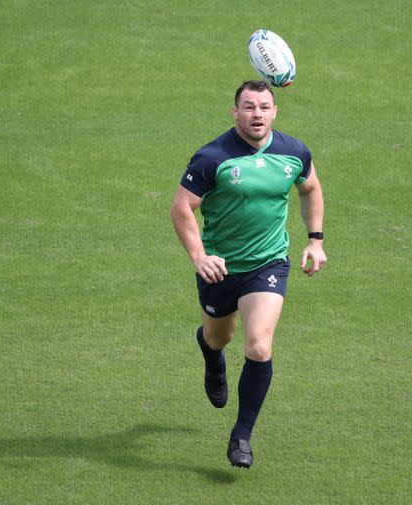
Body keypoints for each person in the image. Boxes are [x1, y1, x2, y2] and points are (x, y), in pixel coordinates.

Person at [170, 79, 327, 468]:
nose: (256, 114)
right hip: (220, 269)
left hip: (267, 263)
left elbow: (310, 188)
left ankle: (241, 436)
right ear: (235, 112)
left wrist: (315, 239)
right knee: (217, 336)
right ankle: (210, 354)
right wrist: (199, 257)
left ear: (275, 111)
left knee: (258, 345)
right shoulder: (212, 157)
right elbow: (181, 208)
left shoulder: (294, 152)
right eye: (248, 106)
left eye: (263, 106)